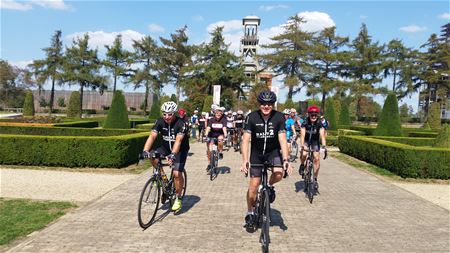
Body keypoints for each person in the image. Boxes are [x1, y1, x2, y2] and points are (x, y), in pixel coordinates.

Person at [240, 91, 292, 228]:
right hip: (256, 154)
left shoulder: (279, 117)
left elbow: (282, 139)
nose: (266, 106)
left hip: (272, 153)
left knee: (279, 173)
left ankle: (268, 185)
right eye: (263, 103)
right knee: (253, 188)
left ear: (273, 105)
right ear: (259, 104)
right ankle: (250, 212)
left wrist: (286, 159)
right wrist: (245, 159)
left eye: (269, 104)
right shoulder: (251, 117)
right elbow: (245, 140)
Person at [142, 101, 189, 212]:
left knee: (177, 173)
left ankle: (178, 197)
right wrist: (145, 150)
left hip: (180, 150)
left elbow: (178, 140)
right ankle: (163, 178)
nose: (167, 117)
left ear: (174, 113)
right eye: (164, 114)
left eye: (170, 114)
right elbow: (152, 136)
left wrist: (173, 155)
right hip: (165, 148)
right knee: (152, 156)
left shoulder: (182, 123)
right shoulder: (159, 121)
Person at [298, 105, 327, 190]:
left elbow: (322, 135)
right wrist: (302, 145)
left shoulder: (319, 123)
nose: (313, 116)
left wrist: (324, 146)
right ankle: (302, 165)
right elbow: (302, 135)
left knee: (317, 158)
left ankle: (315, 179)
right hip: (306, 141)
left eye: (315, 115)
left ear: (317, 115)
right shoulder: (305, 122)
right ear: (308, 115)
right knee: (304, 154)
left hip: (315, 142)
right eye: (312, 114)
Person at [205, 106, 228, 171]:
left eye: (220, 114)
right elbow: (208, 128)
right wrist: (206, 134)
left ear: (221, 114)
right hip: (211, 135)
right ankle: (209, 164)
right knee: (209, 150)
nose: (218, 115)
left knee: (220, 140)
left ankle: (220, 151)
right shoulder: (212, 119)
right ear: (215, 114)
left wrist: (225, 135)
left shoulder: (223, 120)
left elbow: (224, 128)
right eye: (217, 113)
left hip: (219, 134)